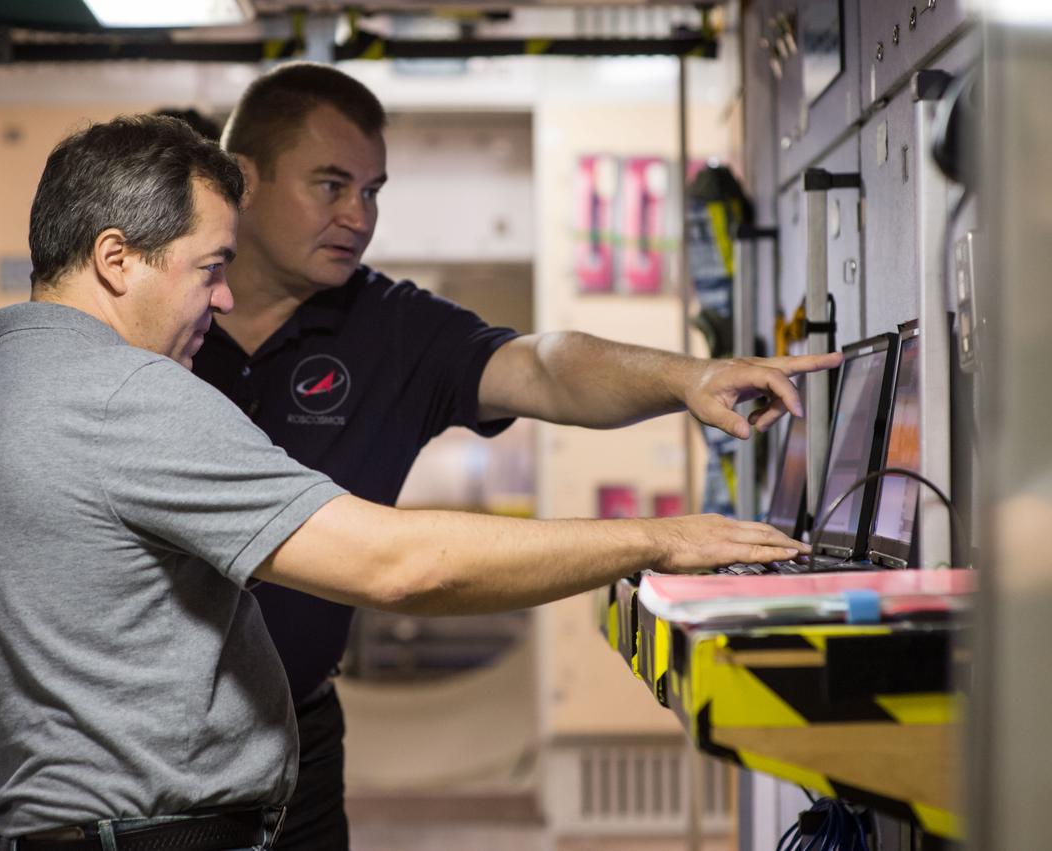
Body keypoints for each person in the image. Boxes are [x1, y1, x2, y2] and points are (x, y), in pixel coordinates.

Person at [0, 113, 815, 849]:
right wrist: (660, 539)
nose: (223, 298)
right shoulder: (128, 396)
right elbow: (401, 565)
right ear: (116, 258)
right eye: (209, 269)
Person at [181, 62, 845, 851]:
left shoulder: (389, 327)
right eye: (330, 185)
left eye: (373, 190)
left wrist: (685, 376)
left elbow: (543, 365)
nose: (358, 216)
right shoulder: (159, 317)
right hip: (143, 747)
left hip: (296, 734)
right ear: (243, 180)